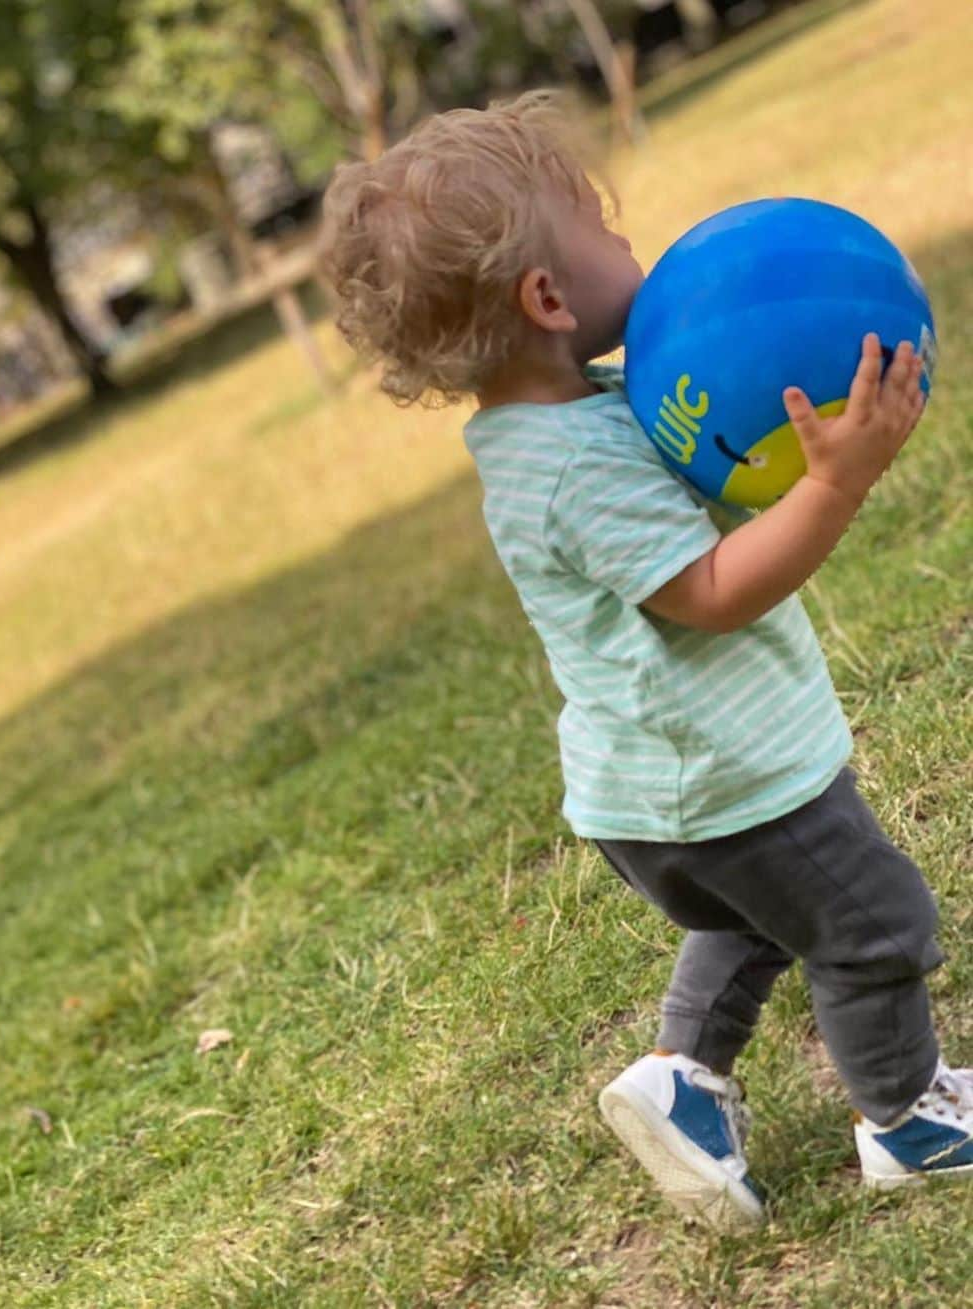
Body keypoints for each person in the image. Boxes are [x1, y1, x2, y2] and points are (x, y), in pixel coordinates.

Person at [320, 91, 972, 1230]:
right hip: (719, 782)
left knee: (758, 920)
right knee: (872, 920)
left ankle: (683, 1083)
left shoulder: (572, 418)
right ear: (549, 297)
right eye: (607, 231)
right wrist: (834, 483)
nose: (638, 246)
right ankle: (907, 1120)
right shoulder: (571, 468)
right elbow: (712, 593)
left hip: (662, 794)